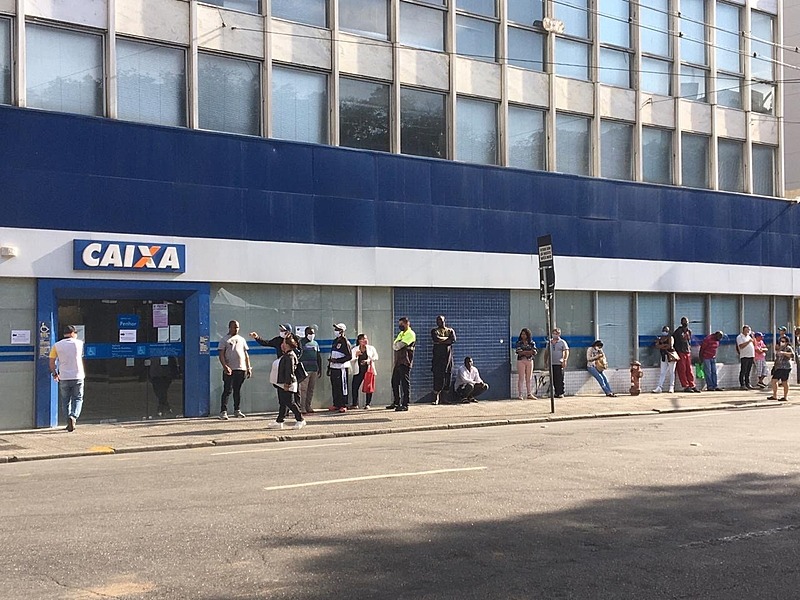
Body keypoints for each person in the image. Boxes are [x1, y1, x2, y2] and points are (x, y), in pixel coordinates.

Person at [49, 325, 85, 432]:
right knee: (78, 398)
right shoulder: (80, 343)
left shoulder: (57, 345)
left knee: (65, 400)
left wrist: (55, 373)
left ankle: (68, 420)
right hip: (78, 375)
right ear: (73, 333)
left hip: (64, 376)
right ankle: (73, 416)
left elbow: (51, 361)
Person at [267, 336, 306, 430]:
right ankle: (279, 421)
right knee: (283, 403)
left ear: (288, 345)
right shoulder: (286, 355)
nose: (281, 345)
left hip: (287, 384)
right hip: (281, 383)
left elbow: (290, 371)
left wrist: (287, 384)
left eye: (284, 343)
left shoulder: (290, 356)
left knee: (290, 402)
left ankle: (300, 419)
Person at [218, 320, 251, 420]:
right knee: (227, 390)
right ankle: (223, 411)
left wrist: (248, 367)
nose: (236, 329)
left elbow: (246, 354)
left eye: (237, 327)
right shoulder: (224, 340)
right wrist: (225, 366)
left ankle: (237, 410)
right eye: (234, 327)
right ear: (229, 327)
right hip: (230, 369)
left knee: (237, 390)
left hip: (241, 368)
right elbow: (221, 354)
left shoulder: (241, 339)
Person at [389, 317, 416, 411]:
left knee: (405, 383)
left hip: (405, 361)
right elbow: (394, 345)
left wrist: (397, 344)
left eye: (401, 324)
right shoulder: (401, 333)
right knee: (394, 382)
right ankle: (396, 402)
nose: (400, 326)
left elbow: (400, 345)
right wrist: (397, 344)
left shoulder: (410, 334)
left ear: (407, 323)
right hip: (398, 361)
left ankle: (405, 404)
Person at [430, 315, 456, 405]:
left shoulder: (450, 330)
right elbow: (435, 339)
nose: (439, 322)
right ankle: (436, 398)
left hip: (448, 359)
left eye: (440, 320)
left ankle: (444, 398)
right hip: (438, 359)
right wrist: (446, 340)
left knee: (447, 378)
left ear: (444, 320)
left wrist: (441, 341)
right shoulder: (434, 331)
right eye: (437, 320)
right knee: (437, 378)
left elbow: (452, 340)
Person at [298, 326, 323, 414]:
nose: (311, 335)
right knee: (303, 389)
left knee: (311, 389)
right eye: (310, 333)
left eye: (313, 333)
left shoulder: (315, 343)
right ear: (305, 334)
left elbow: (318, 356)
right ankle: (302, 407)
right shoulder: (301, 343)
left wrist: (320, 368)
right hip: (305, 369)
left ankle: (308, 406)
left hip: (314, 369)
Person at [328, 323, 352, 413]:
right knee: (335, 386)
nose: (336, 331)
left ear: (342, 331)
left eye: (338, 330)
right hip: (333, 367)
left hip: (341, 367)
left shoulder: (345, 341)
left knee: (342, 386)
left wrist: (337, 361)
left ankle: (343, 404)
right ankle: (336, 404)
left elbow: (349, 356)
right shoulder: (335, 341)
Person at [351, 333, 379, 409]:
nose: (365, 340)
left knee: (368, 387)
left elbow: (376, 357)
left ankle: (368, 403)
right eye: (363, 339)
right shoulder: (355, 349)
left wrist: (368, 360)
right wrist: (356, 356)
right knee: (354, 386)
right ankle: (355, 404)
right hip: (359, 370)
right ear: (359, 341)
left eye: (366, 339)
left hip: (368, 370)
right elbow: (351, 359)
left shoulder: (371, 348)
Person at [673, 317, 700, 393]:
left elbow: (689, 341)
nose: (686, 323)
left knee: (689, 369)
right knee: (682, 369)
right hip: (680, 351)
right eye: (685, 322)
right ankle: (685, 386)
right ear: (681, 322)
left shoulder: (689, 331)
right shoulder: (678, 331)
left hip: (687, 351)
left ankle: (692, 385)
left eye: (687, 322)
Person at [767, 335, 793, 402]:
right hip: (778, 367)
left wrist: (784, 353)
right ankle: (774, 395)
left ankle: (785, 396)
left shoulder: (788, 348)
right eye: (780, 341)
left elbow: (791, 355)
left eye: (783, 341)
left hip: (785, 367)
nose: (781, 342)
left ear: (787, 342)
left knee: (784, 382)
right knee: (774, 381)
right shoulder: (779, 348)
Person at [652, 326, 676, 393]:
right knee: (662, 372)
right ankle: (659, 387)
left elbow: (670, 346)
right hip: (663, 356)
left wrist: (661, 346)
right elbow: (657, 346)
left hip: (670, 356)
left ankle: (671, 387)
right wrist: (664, 346)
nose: (664, 332)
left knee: (671, 372)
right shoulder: (660, 338)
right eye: (663, 330)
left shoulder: (670, 338)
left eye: (666, 330)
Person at [515, 328, 537, 399]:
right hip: (521, 361)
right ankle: (520, 394)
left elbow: (534, 351)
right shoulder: (519, 343)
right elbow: (519, 352)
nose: (523, 336)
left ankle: (529, 393)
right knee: (521, 378)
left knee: (529, 378)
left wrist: (525, 352)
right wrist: (528, 352)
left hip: (529, 360)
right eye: (522, 334)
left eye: (524, 334)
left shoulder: (532, 343)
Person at [548, 328, 569, 399]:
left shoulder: (562, 342)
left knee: (559, 378)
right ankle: (556, 392)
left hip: (559, 363)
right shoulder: (549, 342)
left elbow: (566, 351)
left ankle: (561, 392)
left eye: (556, 333)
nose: (555, 335)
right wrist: (545, 361)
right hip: (552, 363)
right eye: (553, 333)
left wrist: (565, 360)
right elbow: (546, 352)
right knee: (553, 378)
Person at [736, 325, 755, 390]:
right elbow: (741, 346)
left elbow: (754, 344)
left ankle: (748, 383)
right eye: (747, 330)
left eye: (749, 330)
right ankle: (742, 384)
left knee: (748, 370)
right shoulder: (740, 337)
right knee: (743, 370)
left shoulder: (749, 337)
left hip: (751, 355)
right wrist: (748, 341)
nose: (748, 331)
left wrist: (753, 337)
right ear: (744, 330)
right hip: (744, 355)